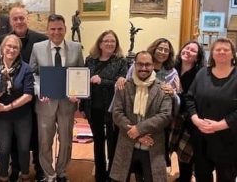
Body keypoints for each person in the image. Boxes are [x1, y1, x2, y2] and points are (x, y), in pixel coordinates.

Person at [186, 38, 237, 182]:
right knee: (202, 176)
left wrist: (219, 125)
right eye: (218, 49)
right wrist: (196, 120)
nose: (222, 52)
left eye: (226, 49)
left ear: (232, 55)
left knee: (226, 178)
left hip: (229, 139)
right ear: (212, 54)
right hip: (202, 137)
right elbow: (190, 98)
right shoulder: (202, 73)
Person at [29, 14, 84, 182]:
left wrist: (79, 93)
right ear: (47, 30)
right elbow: (31, 73)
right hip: (45, 103)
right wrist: (39, 89)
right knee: (45, 141)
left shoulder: (76, 47)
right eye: (52, 29)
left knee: (66, 141)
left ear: (65, 29)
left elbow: (80, 72)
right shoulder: (38, 48)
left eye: (60, 29)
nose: (56, 32)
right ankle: (49, 174)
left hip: (67, 103)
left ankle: (61, 172)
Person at [0, 5, 47, 182]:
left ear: (28, 18)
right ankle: (16, 167)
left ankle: (39, 168)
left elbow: (45, 69)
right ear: (10, 20)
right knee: (14, 139)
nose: (19, 21)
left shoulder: (41, 40)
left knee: (37, 136)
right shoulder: (2, 40)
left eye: (21, 18)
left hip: (37, 97)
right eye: (15, 18)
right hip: (11, 100)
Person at [110, 50, 172, 182]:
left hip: (153, 145)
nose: (144, 68)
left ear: (153, 65)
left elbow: (165, 116)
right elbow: (117, 114)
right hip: (127, 142)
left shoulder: (163, 88)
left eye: (148, 64)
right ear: (135, 65)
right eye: (140, 64)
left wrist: (139, 129)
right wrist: (138, 134)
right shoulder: (124, 86)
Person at [0, 34, 34, 182]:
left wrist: (7, 107)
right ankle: (3, 177)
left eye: (15, 47)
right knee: (4, 150)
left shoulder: (26, 68)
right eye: (9, 46)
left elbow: (29, 95)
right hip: (1, 118)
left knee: (24, 149)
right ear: (2, 48)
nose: (11, 50)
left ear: (19, 51)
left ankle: (25, 175)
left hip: (22, 115)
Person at [81, 30, 128, 182]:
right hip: (93, 107)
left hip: (113, 108)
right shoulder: (90, 60)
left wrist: (102, 81)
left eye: (112, 41)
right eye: (106, 41)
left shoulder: (121, 61)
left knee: (113, 142)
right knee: (98, 141)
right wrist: (81, 105)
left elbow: (122, 84)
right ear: (100, 44)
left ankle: (113, 175)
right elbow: (83, 83)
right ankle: (100, 174)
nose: (109, 44)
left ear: (116, 44)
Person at [170, 41, 205, 182]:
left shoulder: (200, 74)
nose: (188, 51)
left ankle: (185, 178)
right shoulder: (172, 68)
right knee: (173, 149)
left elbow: (195, 98)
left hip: (189, 119)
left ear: (197, 57)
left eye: (193, 50)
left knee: (185, 153)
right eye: (186, 48)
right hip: (171, 117)